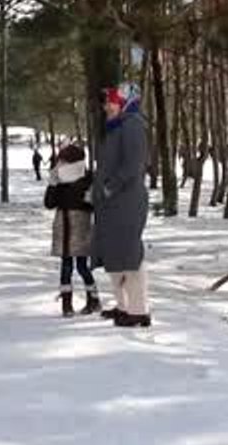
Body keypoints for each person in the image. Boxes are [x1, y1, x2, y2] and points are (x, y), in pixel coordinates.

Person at [91, 82, 152, 328]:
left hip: (126, 200)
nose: (106, 106)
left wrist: (110, 187)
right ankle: (123, 306)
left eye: (111, 101)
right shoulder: (117, 127)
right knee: (114, 254)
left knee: (129, 255)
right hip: (112, 202)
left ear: (125, 102)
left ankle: (139, 311)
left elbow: (133, 165)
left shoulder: (133, 126)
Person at [44, 144, 100, 317]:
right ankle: (68, 303)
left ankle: (92, 299)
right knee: (67, 264)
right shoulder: (60, 179)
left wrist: (89, 198)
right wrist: (52, 184)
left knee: (80, 265)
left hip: (78, 223)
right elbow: (49, 203)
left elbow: (94, 203)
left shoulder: (88, 178)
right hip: (64, 222)